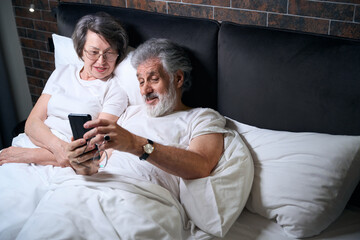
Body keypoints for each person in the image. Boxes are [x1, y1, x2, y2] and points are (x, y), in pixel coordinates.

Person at [68, 38, 227, 195]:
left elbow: (201, 166)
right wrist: (84, 166)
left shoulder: (202, 117)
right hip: (97, 187)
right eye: (141, 81)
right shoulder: (131, 113)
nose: (144, 91)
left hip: (143, 196)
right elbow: (102, 165)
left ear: (178, 78)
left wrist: (136, 144)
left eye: (154, 79)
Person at [0, 12, 129, 167]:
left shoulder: (115, 91)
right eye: (94, 52)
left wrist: (30, 155)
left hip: (61, 161)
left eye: (109, 53)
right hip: (35, 144)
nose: (101, 61)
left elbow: (93, 152)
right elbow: (32, 123)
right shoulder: (63, 72)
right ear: (81, 50)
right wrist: (58, 148)